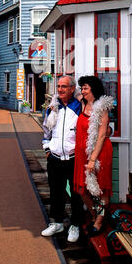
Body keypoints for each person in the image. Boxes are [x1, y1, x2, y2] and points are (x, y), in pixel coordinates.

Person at [41, 75, 84, 242]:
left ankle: (75, 224)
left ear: (72, 89)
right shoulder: (53, 107)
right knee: (55, 191)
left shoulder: (79, 106)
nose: (60, 89)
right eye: (58, 86)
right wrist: (47, 149)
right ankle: (57, 222)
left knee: (76, 193)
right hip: (55, 157)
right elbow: (46, 130)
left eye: (64, 87)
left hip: (74, 158)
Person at [74, 75, 113, 237]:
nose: (82, 91)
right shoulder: (82, 103)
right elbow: (65, 95)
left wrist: (92, 159)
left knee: (101, 190)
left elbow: (103, 135)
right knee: (83, 190)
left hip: (100, 153)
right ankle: (94, 214)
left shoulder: (101, 108)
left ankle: (99, 221)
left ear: (93, 90)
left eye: (85, 88)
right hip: (82, 153)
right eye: (81, 88)